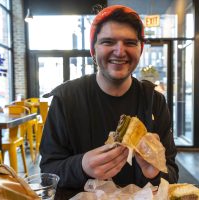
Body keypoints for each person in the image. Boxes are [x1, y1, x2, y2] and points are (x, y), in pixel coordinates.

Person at [40, 5, 178, 192]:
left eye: (130, 43)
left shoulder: (154, 102)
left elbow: (172, 172)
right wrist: (81, 166)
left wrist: (155, 172)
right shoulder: (66, 100)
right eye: (108, 42)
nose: (120, 51)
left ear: (140, 49)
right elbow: (47, 171)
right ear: (94, 50)